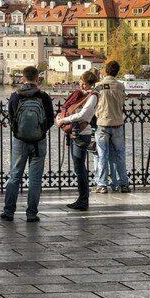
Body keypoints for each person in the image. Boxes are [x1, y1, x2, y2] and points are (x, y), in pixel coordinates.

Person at [1, 66, 55, 222]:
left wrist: (19, 131)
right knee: (35, 179)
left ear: (22, 79)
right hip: (39, 142)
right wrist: (40, 131)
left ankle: (9, 212)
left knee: (15, 176)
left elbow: (11, 118)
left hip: (20, 141)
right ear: (37, 79)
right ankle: (31, 213)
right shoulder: (44, 97)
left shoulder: (15, 96)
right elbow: (50, 120)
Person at [56, 69, 99, 212]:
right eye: (80, 83)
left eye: (84, 84)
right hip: (76, 133)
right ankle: (81, 199)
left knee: (80, 168)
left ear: (90, 83)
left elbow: (82, 115)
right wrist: (61, 117)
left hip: (82, 134)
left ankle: (83, 200)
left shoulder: (93, 96)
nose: (81, 86)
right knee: (78, 167)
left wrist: (64, 120)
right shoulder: (84, 94)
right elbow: (71, 109)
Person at [94, 60, 130, 193]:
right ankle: (123, 183)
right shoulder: (120, 86)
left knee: (102, 154)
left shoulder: (99, 86)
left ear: (106, 71)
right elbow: (122, 102)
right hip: (117, 123)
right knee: (120, 155)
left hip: (102, 123)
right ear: (117, 72)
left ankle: (102, 184)